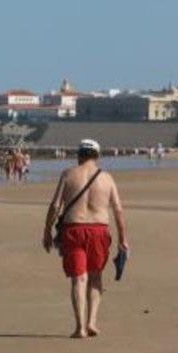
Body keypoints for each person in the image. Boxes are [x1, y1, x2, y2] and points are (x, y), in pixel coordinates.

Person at [42, 139, 129, 338]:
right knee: (95, 276)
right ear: (97, 156)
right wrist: (123, 238)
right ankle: (92, 322)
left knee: (78, 278)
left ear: (79, 155)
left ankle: (79, 327)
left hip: (73, 229)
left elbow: (55, 206)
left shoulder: (68, 174)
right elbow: (118, 209)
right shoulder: (107, 178)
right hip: (99, 230)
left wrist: (47, 231)